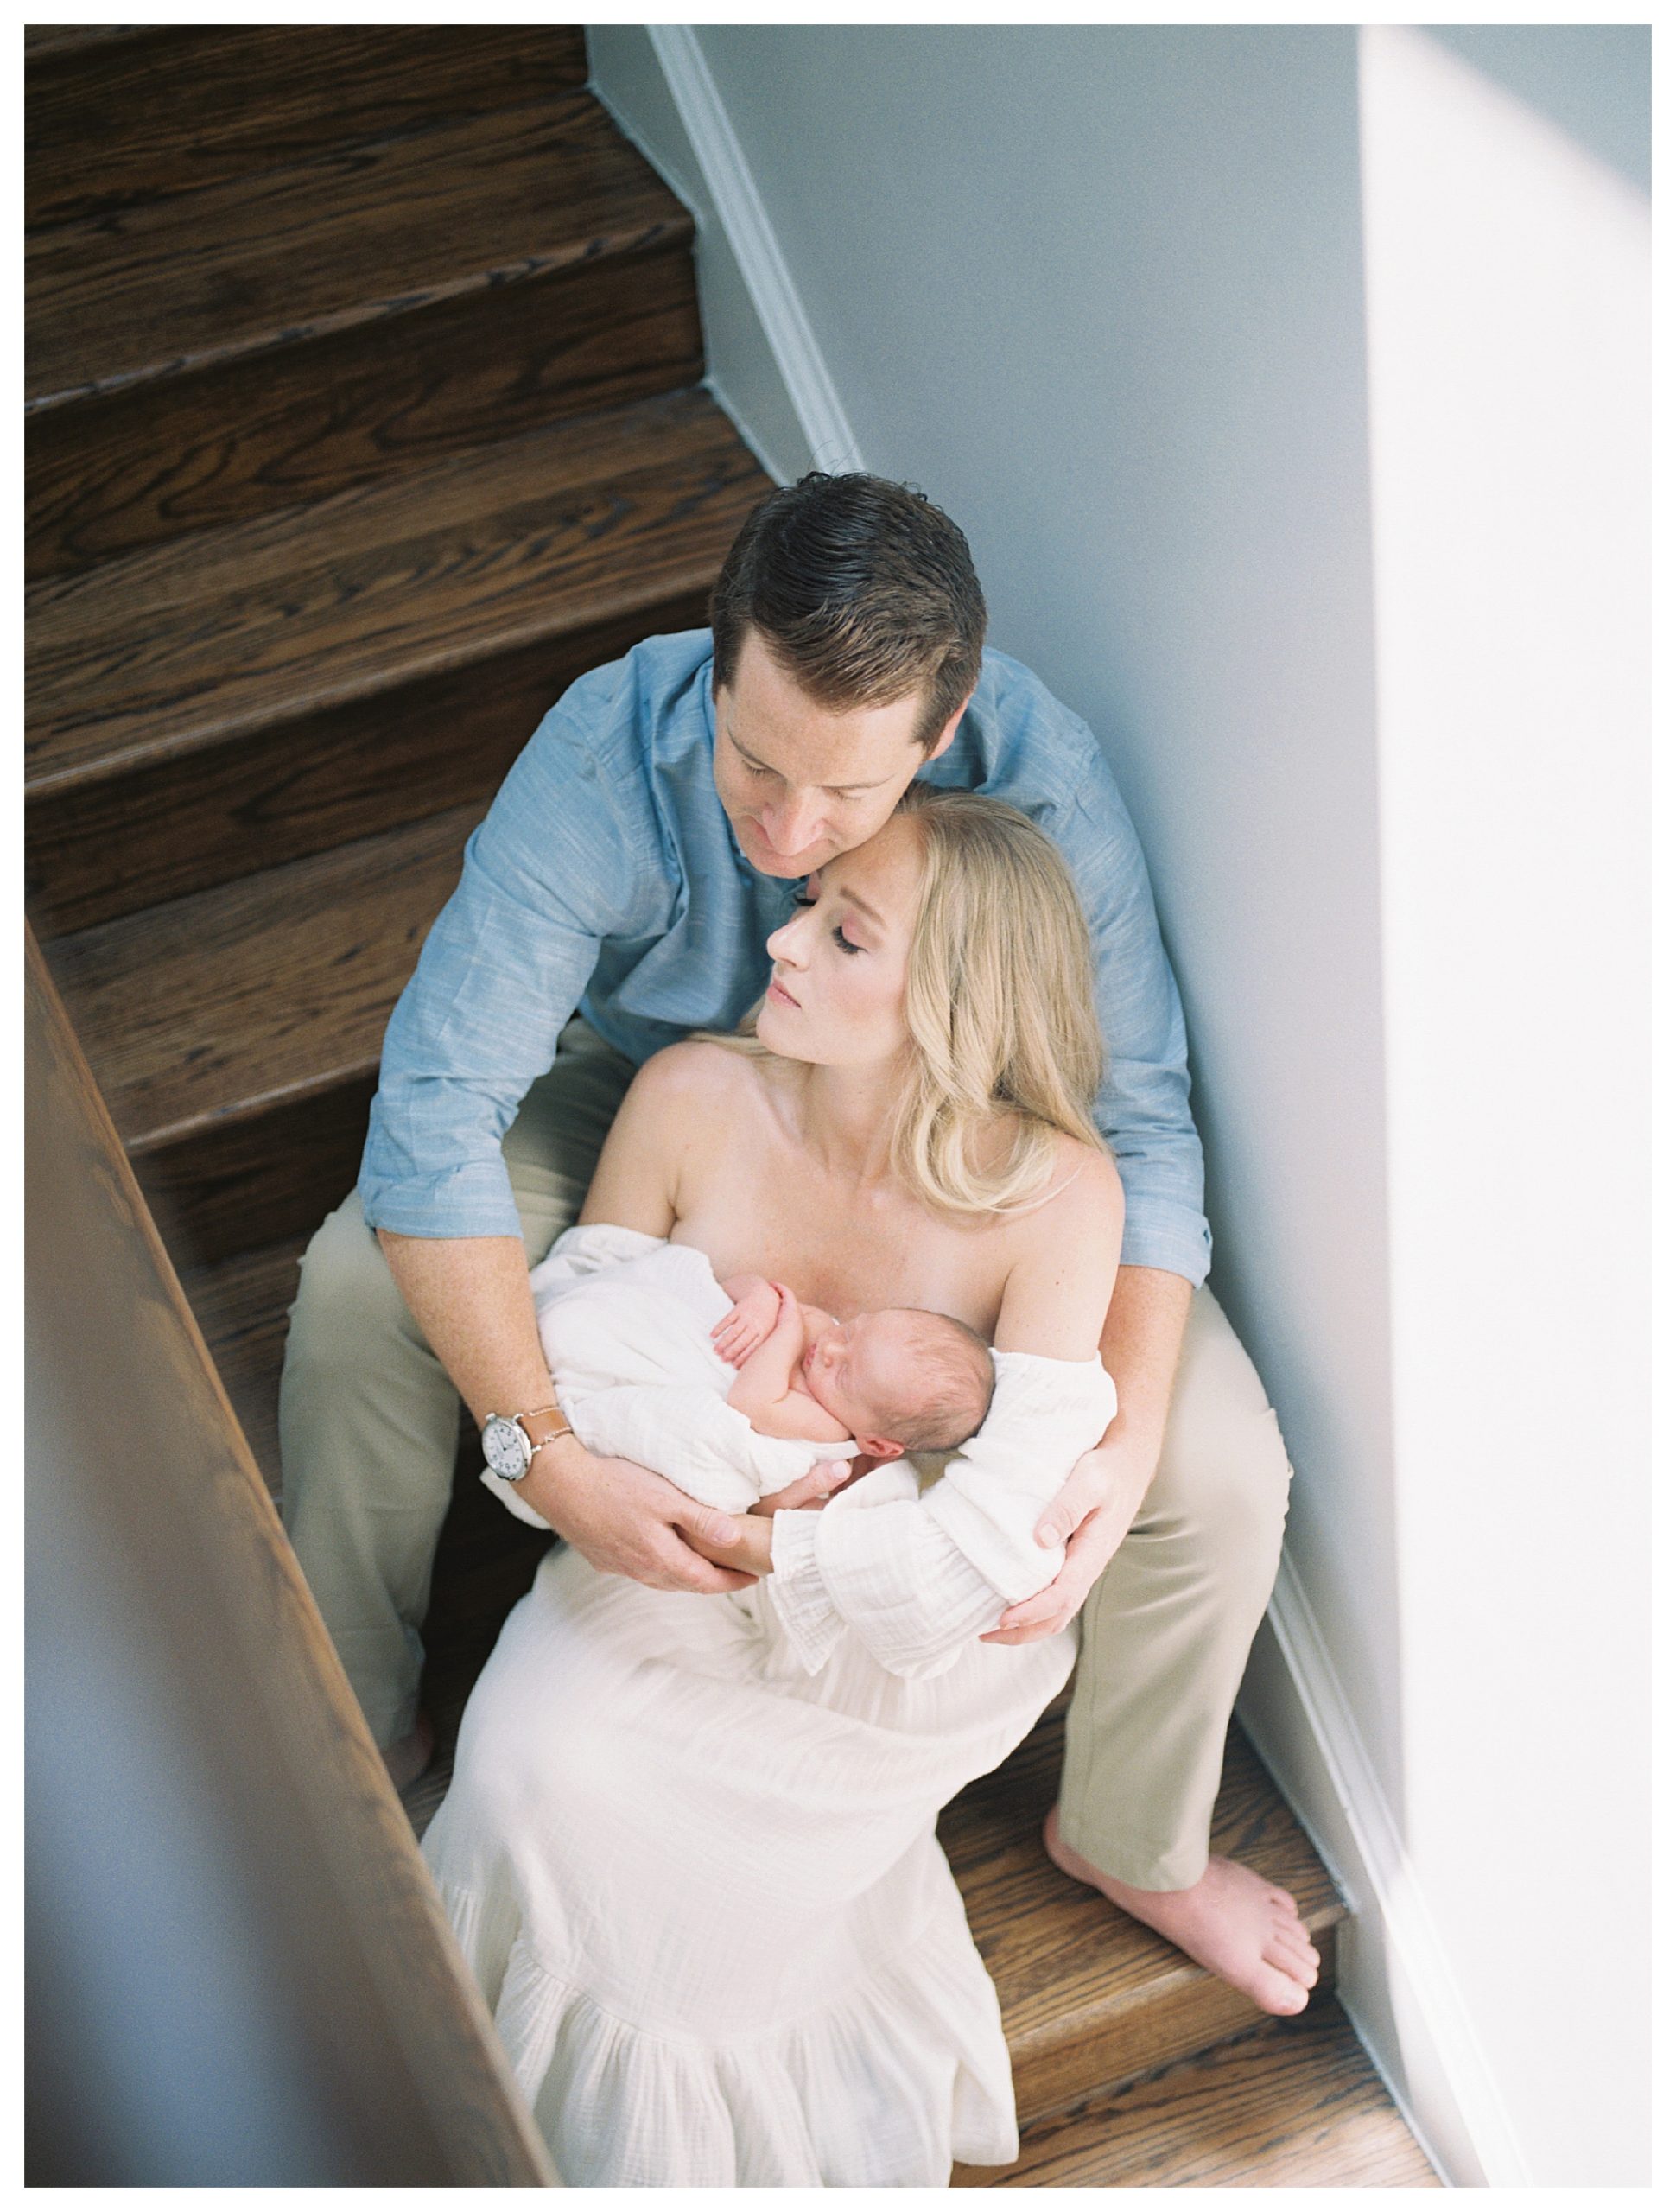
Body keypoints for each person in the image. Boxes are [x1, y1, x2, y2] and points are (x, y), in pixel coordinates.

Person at [279, 472, 1314, 2018]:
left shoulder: (1052, 789)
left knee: (1221, 1472)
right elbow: (434, 1117)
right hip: (665, 1098)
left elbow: (1144, 1126)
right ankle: (351, 1716)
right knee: (365, 1285)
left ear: (944, 733)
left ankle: (1134, 1841)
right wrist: (546, 1447)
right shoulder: (599, 759)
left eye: (844, 800)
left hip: (938, 1142)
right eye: (754, 766)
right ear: (716, 663)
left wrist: (1130, 1430)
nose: (785, 835)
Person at [420, 789, 1125, 2185]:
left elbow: (984, 1546)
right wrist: (707, 1360)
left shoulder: (1053, 1197)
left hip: (883, 1641)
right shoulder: (691, 1095)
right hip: (663, 1565)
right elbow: (566, 1354)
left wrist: (786, 1534)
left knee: (692, 1934)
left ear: (955, 1001)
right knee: (523, 1773)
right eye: (810, 908)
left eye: (844, 934)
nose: (788, 944)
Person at [486, 1220, 994, 1520]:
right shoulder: (831, 1340)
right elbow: (738, 1288)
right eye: (853, 1330)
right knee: (681, 1276)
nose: (831, 1348)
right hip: (680, 1323)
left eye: (844, 1374)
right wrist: (755, 1298)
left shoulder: (829, 1428)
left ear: (877, 1443)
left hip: (684, 1380)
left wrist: (786, 1322)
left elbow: (750, 1404)